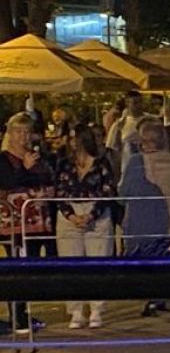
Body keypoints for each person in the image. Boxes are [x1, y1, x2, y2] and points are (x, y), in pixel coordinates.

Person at [54, 124, 116, 328]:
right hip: (70, 214)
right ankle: (76, 311)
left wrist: (91, 215)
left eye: (76, 137)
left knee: (98, 263)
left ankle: (96, 310)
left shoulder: (102, 164)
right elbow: (59, 191)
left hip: (96, 214)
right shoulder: (64, 164)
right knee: (70, 264)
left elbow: (108, 191)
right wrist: (71, 215)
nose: (72, 142)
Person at [120, 120, 170, 316]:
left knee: (143, 261)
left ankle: (150, 297)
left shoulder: (135, 162)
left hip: (142, 218)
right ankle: (159, 297)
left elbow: (124, 192)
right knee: (163, 259)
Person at [0, 113, 53, 333]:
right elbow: (8, 183)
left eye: (27, 132)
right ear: (10, 134)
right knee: (17, 268)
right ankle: (18, 318)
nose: (24, 136)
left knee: (31, 266)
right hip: (13, 224)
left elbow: (46, 180)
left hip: (37, 222)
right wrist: (25, 169)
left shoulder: (36, 157)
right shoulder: (4, 160)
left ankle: (24, 314)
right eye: (19, 131)